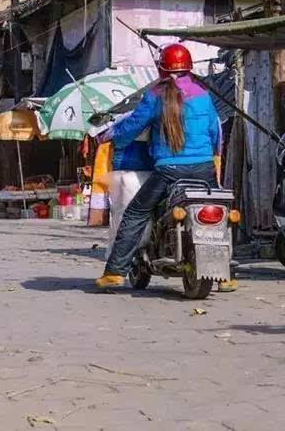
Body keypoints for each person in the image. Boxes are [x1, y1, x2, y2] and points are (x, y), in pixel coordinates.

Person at [95, 44, 221, 290]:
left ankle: (114, 271)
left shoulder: (155, 95)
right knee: (219, 212)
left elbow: (132, 126)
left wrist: (111, 135)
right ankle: (227, 276)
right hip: (205, 169)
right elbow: (215, 131)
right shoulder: (203, 92)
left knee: (136, 213)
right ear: (190, 67)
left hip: (169, 172)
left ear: (161, 68)